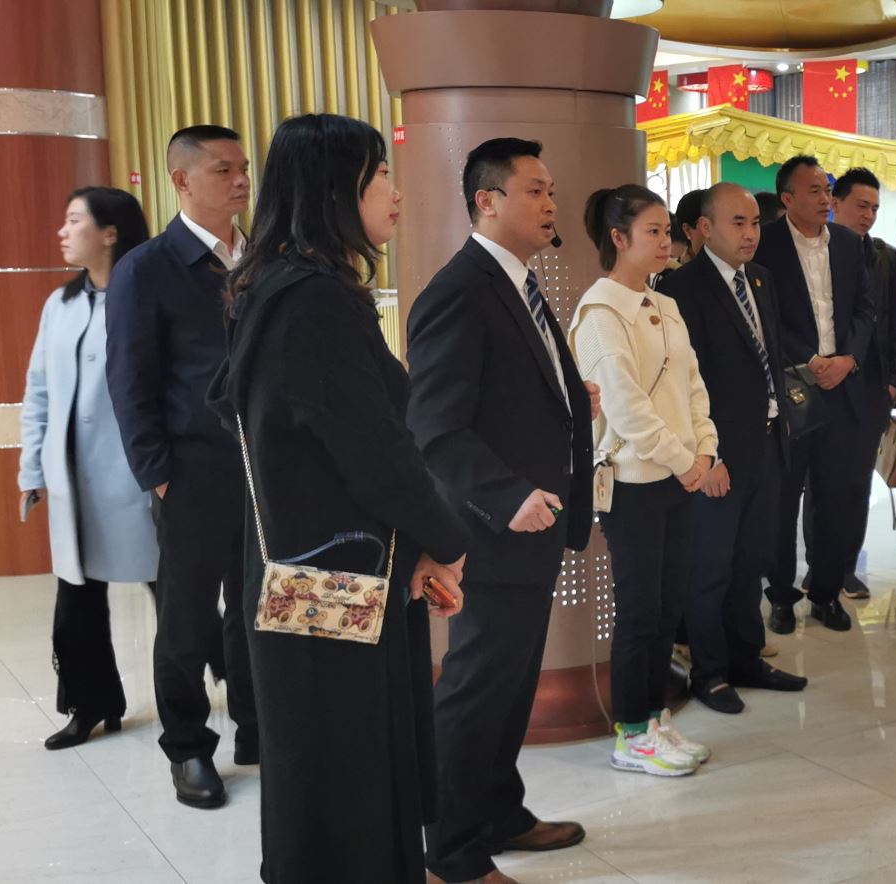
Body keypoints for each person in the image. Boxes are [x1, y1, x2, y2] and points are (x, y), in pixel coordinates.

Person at [203, 112, 471, 884]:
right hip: (336, 581)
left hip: (309, 568)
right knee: (346, 766)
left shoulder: (275, 286)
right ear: (333, 188)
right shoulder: (314, 300)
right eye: (379, 174)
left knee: (330, 761)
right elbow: (372, 450)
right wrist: (445, 539)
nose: (395, 191)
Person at [405, 137, 596, 884]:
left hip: (532, 525)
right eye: (534, 190)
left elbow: (512, 396)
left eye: (551, 190)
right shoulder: (460, 290)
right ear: (487, 201)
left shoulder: (517, 281)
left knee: (511, 683)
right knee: (476, 689)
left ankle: (498, 811)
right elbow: (436, 425)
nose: (551, 204)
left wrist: (571, 405)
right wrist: (505, 494)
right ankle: (451, 852)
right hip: (491, 529)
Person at [106, 124, 258, 809]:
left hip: (265, 467)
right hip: (191, 470)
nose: (241, 180)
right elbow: (129, 381)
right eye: (224, 169)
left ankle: (258, 728)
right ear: (181, 179)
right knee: (187, 618)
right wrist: (158, 473)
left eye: (243, 167)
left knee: (258, 608)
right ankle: (189, 747)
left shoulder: (261, 257)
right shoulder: (149, 268)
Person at [572, 184, 720, 775]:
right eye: (653, 231)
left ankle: (656, 718)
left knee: (667, 607)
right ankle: (631, 732)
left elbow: (693, 387)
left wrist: (704, 449)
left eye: (667, 231)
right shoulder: (600, 313)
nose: (666, 241)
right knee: (638, 611)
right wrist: (685, 461)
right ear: (619, 238)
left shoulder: (665, 304)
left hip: (681, 474)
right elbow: (625, 406)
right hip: (634, 481)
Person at [660, 182, 810, 714]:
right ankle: (710, 672)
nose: (751, 234)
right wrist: (708, 456)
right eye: (738, 223)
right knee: (710, 567)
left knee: (752, 560)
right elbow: (682, 384)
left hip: (767, 444)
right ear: (705, 228)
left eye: (754, 223)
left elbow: (771, 359)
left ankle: (747, 658)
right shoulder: (681, 289)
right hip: (717, 452)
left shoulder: (761, 279)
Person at [20, 186, 156, 751]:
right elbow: (39, 391)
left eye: (74, 220)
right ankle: (92, 703)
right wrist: (33, 469)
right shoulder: (61, 304)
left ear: (110, 233)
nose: (62, 230)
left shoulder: (148, 298)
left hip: (142, 477)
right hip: (74, 481)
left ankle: (233, 690)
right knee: (76, 600)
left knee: (178, 596)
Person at [755, 155, 875, 634]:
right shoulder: (765, 244)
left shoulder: (847, 243)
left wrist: (849, 359)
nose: (826, 199)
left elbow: (865, 308)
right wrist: (809, 360)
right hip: (792, 387)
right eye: (814, 191)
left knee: (835, 494)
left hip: (842, 385)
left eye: (827, 189)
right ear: (787, 199)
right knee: (783, 497)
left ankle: (825, 592)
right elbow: (764, 315)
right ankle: (781, 595)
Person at [828, 167, 896, 595]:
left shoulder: (885, 257)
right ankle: (819, 569)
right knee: (822, 481)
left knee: (857, 480)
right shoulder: (816, 252)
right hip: (823, 382)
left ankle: (845, 568)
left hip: (872, 385)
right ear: (835, 203)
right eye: (861, 206)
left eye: (875, 208)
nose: (868, 216)